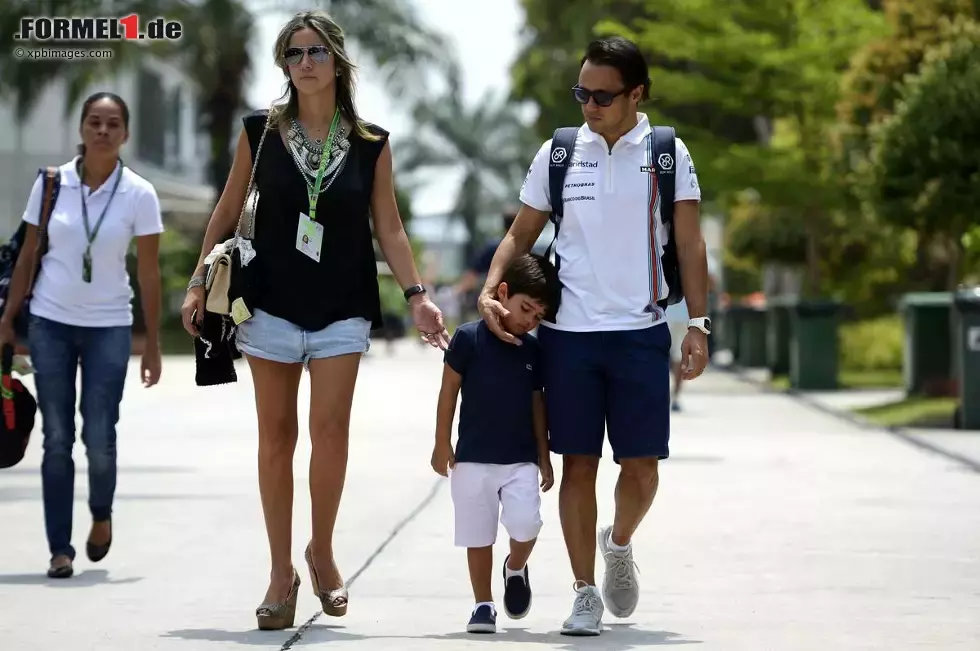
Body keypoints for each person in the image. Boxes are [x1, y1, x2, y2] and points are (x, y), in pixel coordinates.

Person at [179, 10, 449, 630]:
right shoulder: (260, 132)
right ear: (285, 65)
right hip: (267, 302)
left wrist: (417, 294)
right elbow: (224, 213)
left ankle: (321, 550)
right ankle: (281, 573)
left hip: (341, 307)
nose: (306, 62)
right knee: (276, 438)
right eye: (295, 53)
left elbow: (390, 226)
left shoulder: (371, 142)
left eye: (317, 52)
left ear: (338, 63)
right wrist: (198, 281)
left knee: (331, 433)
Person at [477, 36, 711, 636]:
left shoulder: (666, 154)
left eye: (603, 95)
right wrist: (490, 287)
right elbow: (519, 235)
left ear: (637, 94)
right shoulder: (558, 153)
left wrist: (699, 326)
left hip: (640, 332)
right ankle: (584, 591)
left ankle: (620, 542)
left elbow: (689, 244)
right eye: (582, 92)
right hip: (569, 337)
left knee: (642, 470)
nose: (590, 105)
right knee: (577, 465)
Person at [0, 92, 164, 579]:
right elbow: (29, 256)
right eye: (94, 122)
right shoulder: (53, 184)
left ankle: (100, 514)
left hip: (109, 326)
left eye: (113, 124)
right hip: (50, 322)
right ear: (81, 129)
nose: (103, 131)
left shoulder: (140, 193)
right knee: (56, 437)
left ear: (125, 134)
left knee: (99, 435)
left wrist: (152, 341)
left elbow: (150, 273)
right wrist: (8, 320)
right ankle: (59, 549)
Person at [431, 253, 558, 634]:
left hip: (520, 458)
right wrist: (441, 443)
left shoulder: (534, 350)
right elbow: (448, 392)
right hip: (472, 457)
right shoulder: (468, 339)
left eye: (537, 316)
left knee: (526, 524)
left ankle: (515, 567)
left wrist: (544, 454)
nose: (529, 320)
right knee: (478, 534)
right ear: (502, 293)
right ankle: (482, 604)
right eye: (525, 308)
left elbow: (538, 403)